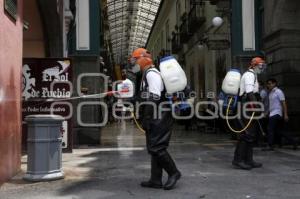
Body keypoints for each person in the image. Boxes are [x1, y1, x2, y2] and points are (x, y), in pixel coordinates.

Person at [130, 48, 181, 190]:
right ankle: (155, 179)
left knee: (157, 147)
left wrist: (147, 118)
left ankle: (174, 172)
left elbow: (154, 97)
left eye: (134, 60)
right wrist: (134, 100)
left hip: (160, 116)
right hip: (157, 115)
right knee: (154, 148)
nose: (133, 64)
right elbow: (146, 97)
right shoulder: (146, 74)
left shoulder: (152, 74)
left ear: (142, 59)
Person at [232, 57, 265, 170]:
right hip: (246, 107)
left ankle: (249, 160)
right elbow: (249, 92)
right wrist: (256, 106)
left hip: (249, 106)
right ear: (254, 65)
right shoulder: (249, 75)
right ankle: (238, 160)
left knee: (251, 134)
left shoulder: (253, 75)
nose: (262, 68)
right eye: (260, 66)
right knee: (245, 134)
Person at [264, 78, 298, 150]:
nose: (268, 85)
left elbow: (283, 103)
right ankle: (294, 142)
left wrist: (285, 114)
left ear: (274, 84)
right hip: (272, 113)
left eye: (270, 83)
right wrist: (267, 113)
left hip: (277, 113)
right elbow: (271, 105)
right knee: (279, 131)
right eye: (268, 84)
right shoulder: (270, 93)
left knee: (270, 129)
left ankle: (270, 145)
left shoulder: (278, 92)